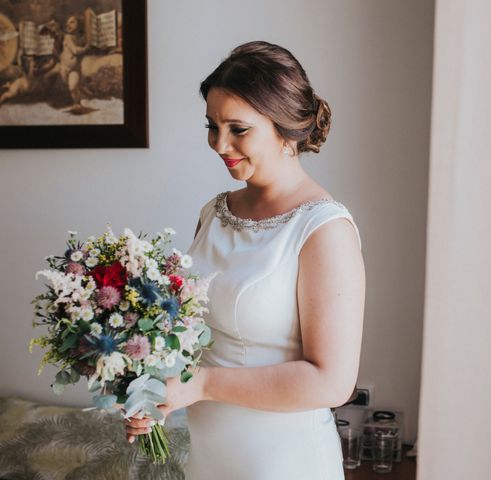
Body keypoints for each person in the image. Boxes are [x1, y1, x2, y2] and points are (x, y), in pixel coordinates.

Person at [124, 40, 366, 479]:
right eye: (211, 127)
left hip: (282, 460)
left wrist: (204, 386)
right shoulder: (214, 213)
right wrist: (158, 392)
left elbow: (332, 381)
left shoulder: (324, 229)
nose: (220, 144)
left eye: (238, 128)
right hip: (210, 454)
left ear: (285, 126)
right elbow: (193, 334)